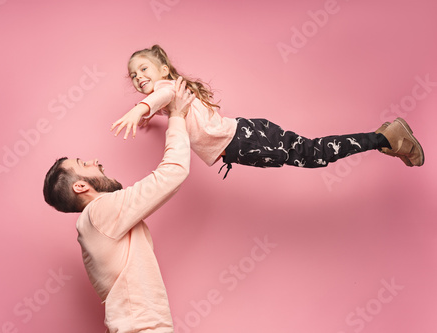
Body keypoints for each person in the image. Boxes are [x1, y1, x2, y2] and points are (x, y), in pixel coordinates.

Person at [111, 44, 425, 179]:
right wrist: (152, 114)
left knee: (315, 154)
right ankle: (384, 138)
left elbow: (161, 95)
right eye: (134, 75)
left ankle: (384, 137)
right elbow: (167, 103)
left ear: (163, 69)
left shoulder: (168, 88)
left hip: (243, 142)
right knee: (312, 151)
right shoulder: (173, 94)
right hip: (247, 132)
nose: (139, 78)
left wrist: (139, 111)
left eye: (144, 69)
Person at [43, 78, 194, 333]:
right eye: (84, 164)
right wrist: (177, 116)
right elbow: (172, 174)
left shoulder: (94, 223)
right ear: (80, 186)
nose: (95, 161)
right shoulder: (100, 212)